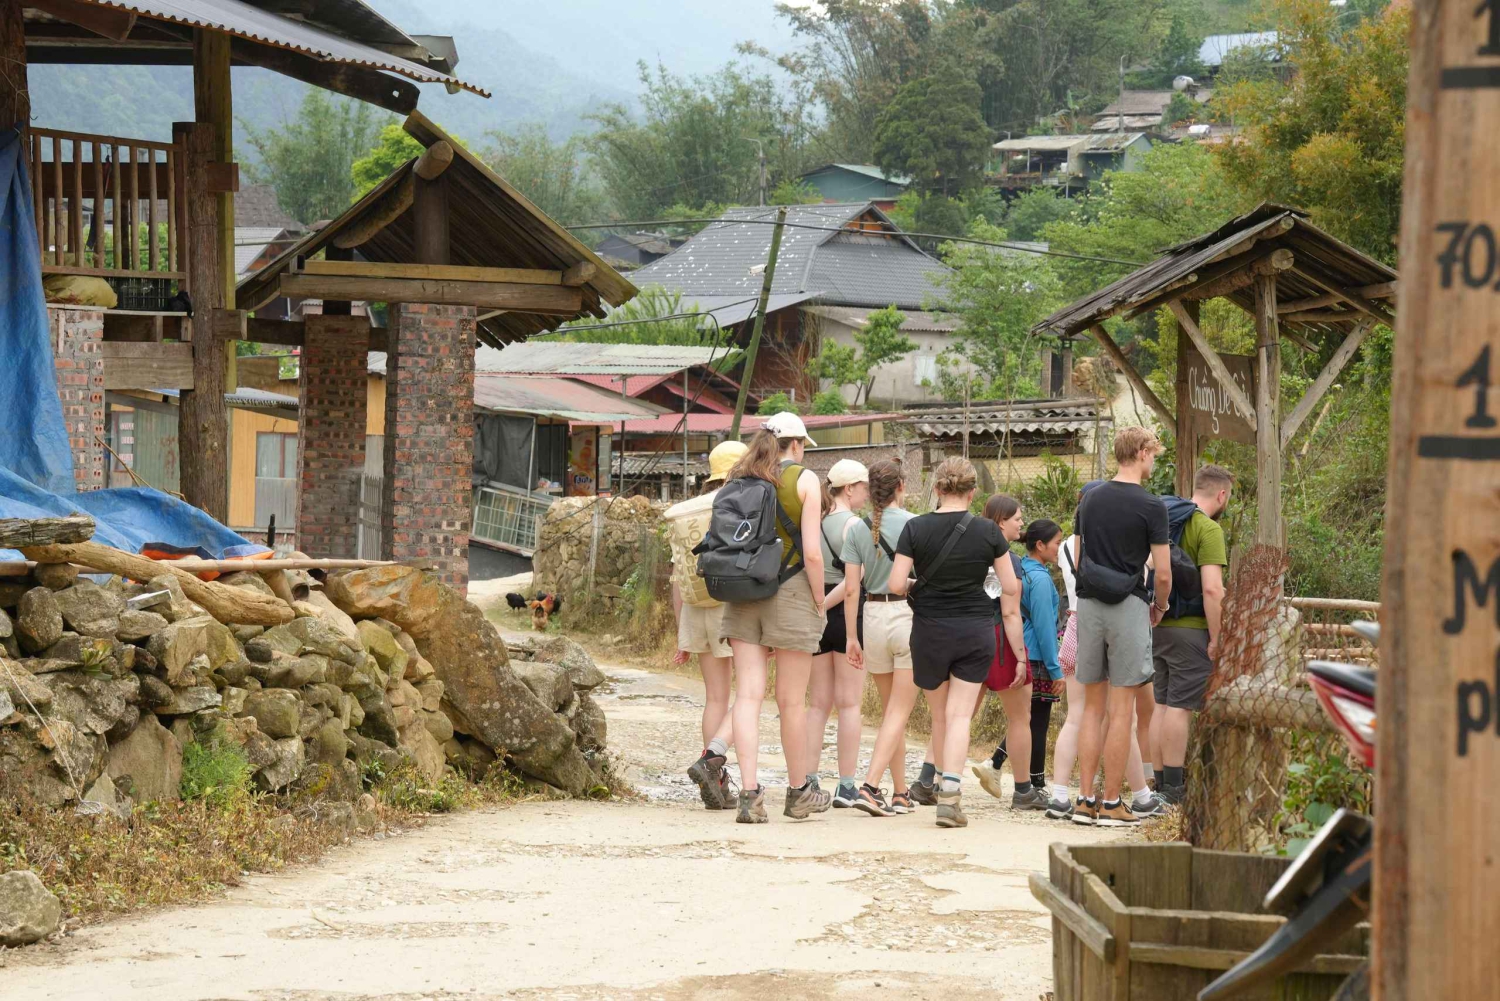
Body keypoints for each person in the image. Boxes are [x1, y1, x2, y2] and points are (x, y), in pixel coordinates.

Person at [886, 457, 1020, 829]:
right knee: (961, 715)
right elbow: (1010, 586)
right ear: (973, 492)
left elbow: (895, 585)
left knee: (941, 715)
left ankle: (939, 785)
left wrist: (926, 585)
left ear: (937, 489)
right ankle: (950, 796)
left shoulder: (915, 527)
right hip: (975, 630)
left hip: (929, 631)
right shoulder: (988, 531)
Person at [721, 413, 832, 823]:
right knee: (791, 701)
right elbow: (813, 554)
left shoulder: (741, 475)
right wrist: (819, 599)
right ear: (797, 444)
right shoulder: (804, 480)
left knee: (747, 696)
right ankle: (798, 791)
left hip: (742, 592)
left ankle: (749, 796)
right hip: (791, 593)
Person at [1071, 426, 1172, 828]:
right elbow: (1162, 573)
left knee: (1092, 708)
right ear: (1143, 452)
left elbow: (1079, 557)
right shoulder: (1152, 505)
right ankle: (1112, 802)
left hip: (1089, 603)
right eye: (1154, 454)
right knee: (1122, 711)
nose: (1154, 461)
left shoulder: (1090, 498)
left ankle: (1084, 801)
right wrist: (1160, 606)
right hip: (1128, 604)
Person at [1045, 483, 1164, 821]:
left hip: (1079, 621)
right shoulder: (1129, 529)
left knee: (1082, 715)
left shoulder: (1069, 543)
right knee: (1123, 716)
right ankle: (1118, 799)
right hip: (1119, 616)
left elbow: (1081, 565)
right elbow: (1155, 567)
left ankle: (1069, 796)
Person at [669, 440, 748, 810]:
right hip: (729, 607)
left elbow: (677, 576)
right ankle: (713, 762)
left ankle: (714, 779)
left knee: (715, 697)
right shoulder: (739, 505)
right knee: (748, 694)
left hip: (695, 608)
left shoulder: (688, 511)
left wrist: (680, 632)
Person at [1147, 464, 1231, 807]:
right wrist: (1217, 638)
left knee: (1162, 704)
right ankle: (1174, 788)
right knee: (1180, 708)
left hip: (1158, 622)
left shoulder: (1164, 519)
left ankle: (1159, 783)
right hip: (1191, 629)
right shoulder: (1207, 528)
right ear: (1222, 494)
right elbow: (1212, 589)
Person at [843, 460, 918, 817]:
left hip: (871, 616)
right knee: (898, 713)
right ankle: (871, 786)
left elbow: (850, 590)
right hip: (906, 614)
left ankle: (901, 792)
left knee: (892, 713)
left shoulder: (857, 528)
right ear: (900, 486)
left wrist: (851, 636)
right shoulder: (914, 523)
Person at [803, 459, 870, 808]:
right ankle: (846, 785)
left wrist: (817, 608)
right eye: (864, 487)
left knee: (817, 704)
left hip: (815, 611)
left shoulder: (814, 519)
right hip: (845, 614)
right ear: (850, 488)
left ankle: (809, 779)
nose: (867, 494)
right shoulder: (855, 526)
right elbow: (853, 583)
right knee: (850, 704)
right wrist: (826, 606)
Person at [969, 496, 1042, 810]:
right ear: (1001, 522)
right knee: (1020, 717)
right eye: (1017, 519)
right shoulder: (1008, 560)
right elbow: (1009, 611)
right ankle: (1023, 790)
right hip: (999, 638)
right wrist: (1021, 658)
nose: (1021, 524)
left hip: (967, 634)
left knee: (958, 716)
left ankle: (932, 780)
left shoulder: (969, 552)